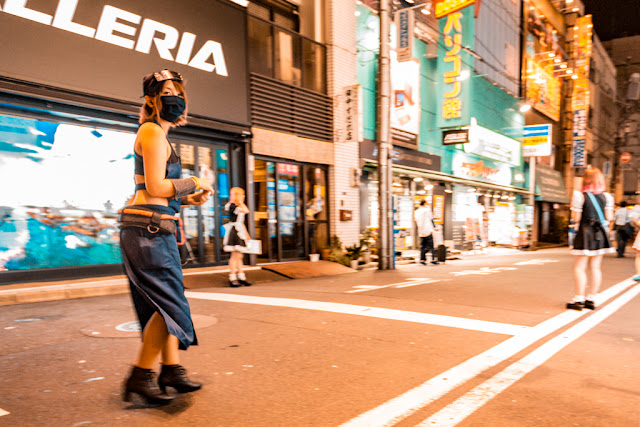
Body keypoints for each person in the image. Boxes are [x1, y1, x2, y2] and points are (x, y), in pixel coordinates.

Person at [119, 69, 213, 405]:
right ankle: (140, 376)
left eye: (178, 91)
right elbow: (159, 188)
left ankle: (170, 369)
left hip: (153, 225)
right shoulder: (153, 132)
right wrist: (194, 184)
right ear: (150, 100)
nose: (175, 97)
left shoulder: (157, 133)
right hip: (148, 230)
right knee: (170, 304)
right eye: (166, 91)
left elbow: (153, 190)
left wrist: (189, 197)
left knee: (164, 302)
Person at [567, 168, 615, 310]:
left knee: (579, 267)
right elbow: (609, 217)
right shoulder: (607, 197)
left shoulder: (579, 196)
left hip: (585, 232)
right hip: (599, 233)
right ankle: (591, 299)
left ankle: (578, 299)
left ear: (585, 180)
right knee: (595, 267)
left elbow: (576, 218)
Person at [223, 187, 252, 287]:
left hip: (239, 231)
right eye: (241, 195)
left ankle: (241, 276)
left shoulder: (236, 205)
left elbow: (241, 222)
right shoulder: (231, 206)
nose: (243, 197)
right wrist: (240, 201)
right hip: (234, 232)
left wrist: (246, 235)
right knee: (234, 256)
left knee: (239, 256)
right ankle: (232, 277)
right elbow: (246, 210)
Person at [414, 199, 439, 265]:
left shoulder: (416, 212)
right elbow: (431, 219)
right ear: (425, 203)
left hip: (421, 231)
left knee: (422, 246)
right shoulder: (427, 210)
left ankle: (422, 259)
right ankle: (433, 259)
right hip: (428, 230)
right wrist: (434, 227)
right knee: (431, 246)